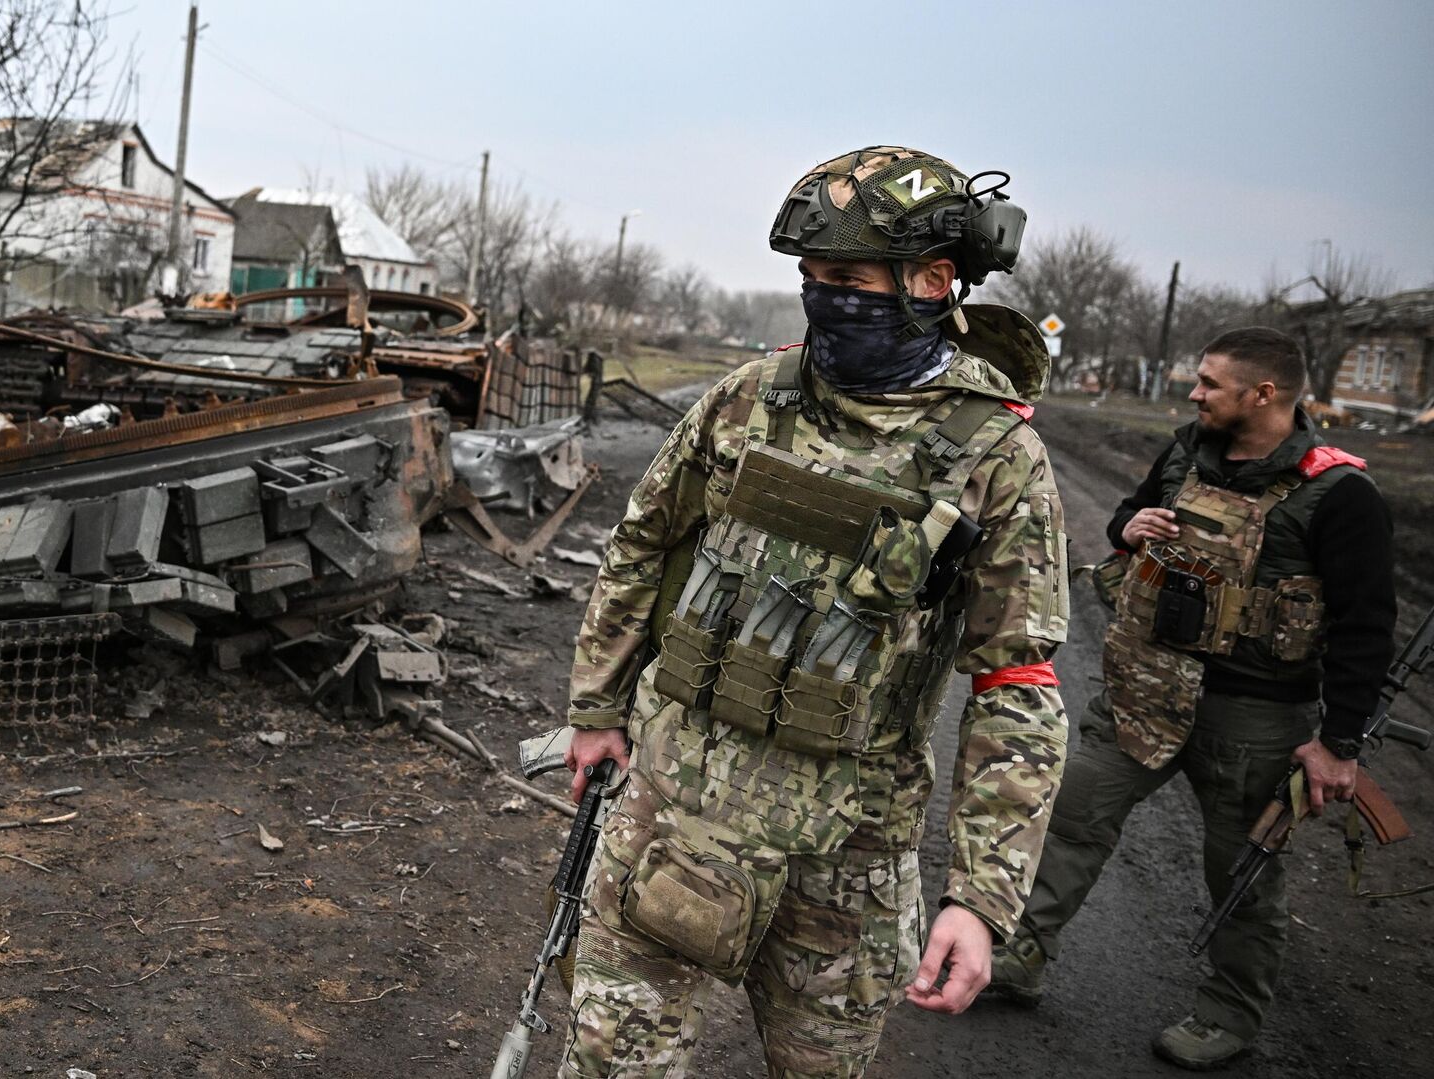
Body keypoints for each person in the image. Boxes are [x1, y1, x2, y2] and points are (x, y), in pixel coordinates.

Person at [557, 146, 1071, 1078]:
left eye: (847, 278)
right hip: (677, 809)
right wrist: (596, 709)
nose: (823, 297)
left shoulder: (997, 455)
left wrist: (982, 897)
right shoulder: (749, 398)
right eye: (811, 277)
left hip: (846, 856)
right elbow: (642, 542)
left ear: (932, 279)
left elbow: (1017, 683)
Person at [987, 327, 1396, 1070]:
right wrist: (1129, 525)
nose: (1195, 392)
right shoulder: (1184, 454)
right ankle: (1018, 954)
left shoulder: (1338, 494)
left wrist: (1339, 743)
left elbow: (1368, 625)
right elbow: (1126, 518)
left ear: (1263, 393)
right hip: (1143, 689)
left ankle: (1229, 1014)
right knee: (1073, 822)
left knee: (1240, 872)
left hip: (1256, 718)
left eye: (1210, 383)